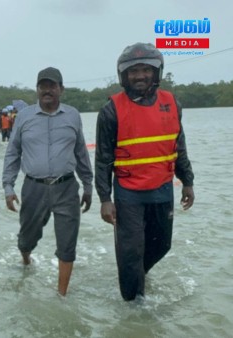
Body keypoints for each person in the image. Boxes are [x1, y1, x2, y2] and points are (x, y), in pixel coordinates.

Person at [95, 42, 195, 301]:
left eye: (145, 70)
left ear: (156, 71)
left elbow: (179, 145)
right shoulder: (110, 111)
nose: (140, 76)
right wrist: (105, 199)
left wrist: (187, 181)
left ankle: (138, 275)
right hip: (128, 194)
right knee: (130, 254)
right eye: (133, 71)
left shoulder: (172, 103)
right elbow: (103, 159)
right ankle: (133, 311)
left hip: (162, 189)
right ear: (123, 76)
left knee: (162, 245)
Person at [2, 67, 93, 296]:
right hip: (34, 188)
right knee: (27, 237)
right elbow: (13, 153)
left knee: (67, 242)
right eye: (43, 86)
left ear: (61, 89)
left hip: (66, 187)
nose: (47, 90)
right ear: (37, 90)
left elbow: (81, 152)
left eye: (52, 86)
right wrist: (8, 187)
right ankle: (25, 258)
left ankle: (61, 295)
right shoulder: (24, 117)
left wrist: (89, 185)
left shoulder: (72, 115)